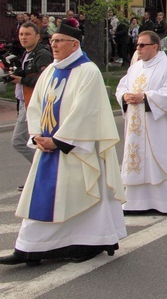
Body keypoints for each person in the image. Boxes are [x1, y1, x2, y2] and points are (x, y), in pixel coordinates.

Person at [0, 24, 125, 266]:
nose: (53, 45)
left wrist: (58, 140)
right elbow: (35, 104)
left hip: (76, 149)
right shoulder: (50, 71)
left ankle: (91, 241)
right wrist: (37, 135)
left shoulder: (88, 71)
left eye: (59, 41)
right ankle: (28, 247)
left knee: (81, 198)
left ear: (75, 44)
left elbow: (86, 111)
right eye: (52, 41)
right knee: (42, 197)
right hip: (47, 147)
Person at [116, 30, 167, 213]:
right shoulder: (135, 68)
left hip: (159, 126)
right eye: (137, 45)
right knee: (136, 159)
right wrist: (125, 96)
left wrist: (145, 98)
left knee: (162, 160)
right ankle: (136, 202)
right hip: (136, 128)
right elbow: (121, 86)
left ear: (155, 47)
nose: (138, 48)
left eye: (142, 45)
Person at [8, 22, 54, 189]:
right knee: (32, 140)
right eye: (21, 34)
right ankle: (41, 174)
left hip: (34, 103)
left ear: (37, 36)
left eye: (27, 34)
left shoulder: (42, 54)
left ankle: (44, 171)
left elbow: (44, 79)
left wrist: (22, 79)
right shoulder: (27, 54)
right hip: (24, 101)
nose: (23, 37)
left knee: (18, 140)